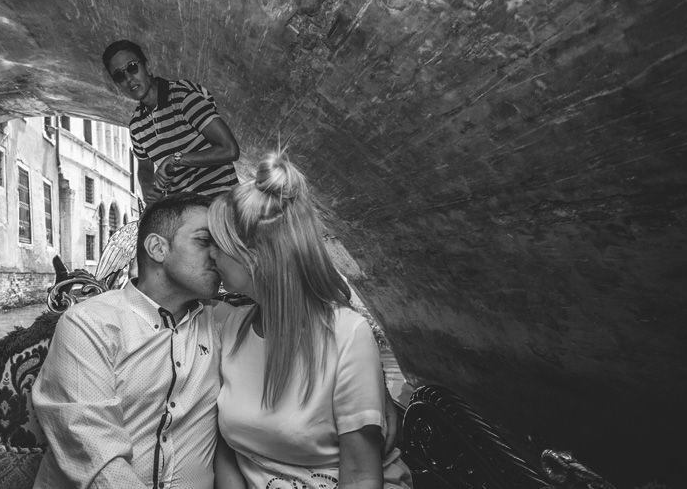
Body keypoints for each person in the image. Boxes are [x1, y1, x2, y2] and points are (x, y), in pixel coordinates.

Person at [208, 153, 413, 489]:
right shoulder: (228, 326)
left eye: (217, 244)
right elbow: (229, 450)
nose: (211, 254)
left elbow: (361, 477)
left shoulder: (347, 335)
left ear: (253, 258)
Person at [30, 192, 230, 488]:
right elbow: (99, 460)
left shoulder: (223, 324)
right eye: (204, 241)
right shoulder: (88, 324)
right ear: (157, 248)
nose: (217, 255)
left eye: (222, 245)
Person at [102, 40, 240, 203]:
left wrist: (177, 159)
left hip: (221, 204)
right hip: (185, 213)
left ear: (148, 66)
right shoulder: (136, 126)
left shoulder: (183, 98)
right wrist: (148, 187)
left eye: (132, 67)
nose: (129, 79)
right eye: (119, 75)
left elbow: (230, 150)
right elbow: (144, 168)